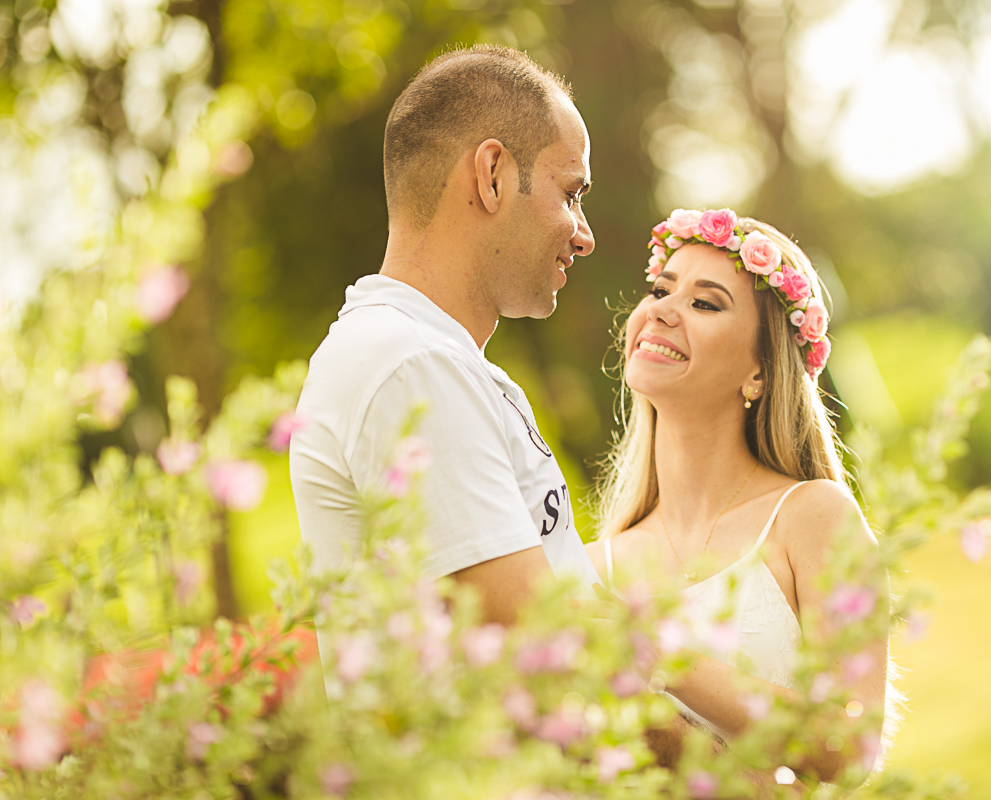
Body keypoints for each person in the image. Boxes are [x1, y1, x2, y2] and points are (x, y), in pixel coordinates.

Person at [290, 45, 601, 635]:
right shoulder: (411, 362)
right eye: (571, 194)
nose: (584, 235)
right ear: (492, 175)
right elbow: (544, 645)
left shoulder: (431, 358)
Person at [586, 209, 889, 781]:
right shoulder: (590, 568)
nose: (661, 310)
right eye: (660, 290)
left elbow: (850, 746)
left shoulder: (813, 517)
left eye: (705, 303)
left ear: (760, 371)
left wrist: (653, 653)